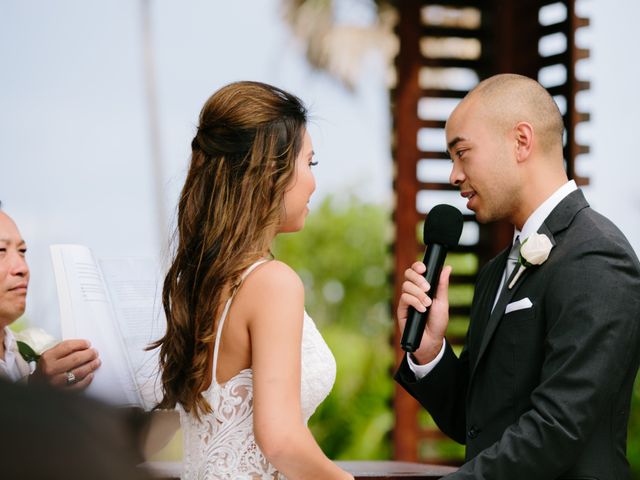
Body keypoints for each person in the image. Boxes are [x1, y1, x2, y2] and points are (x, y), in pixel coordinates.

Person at [395, 74, 640, 479]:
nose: (454, 175)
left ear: (521, 141)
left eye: (463, 153)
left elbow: (558, 428)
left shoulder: (597, 255)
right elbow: (472, 423)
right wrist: (430, 352)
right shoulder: (497, 270)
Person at [152, 81, 353, 479]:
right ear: (271, 171)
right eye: (309, 163)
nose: (313, 182)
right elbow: (279, 439)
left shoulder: (202, 282)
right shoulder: (272, 283)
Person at [0, 206, 101, 387]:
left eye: (22, 251)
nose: (22, 268)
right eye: (1, 250)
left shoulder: (30, 348)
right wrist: (36, 393)